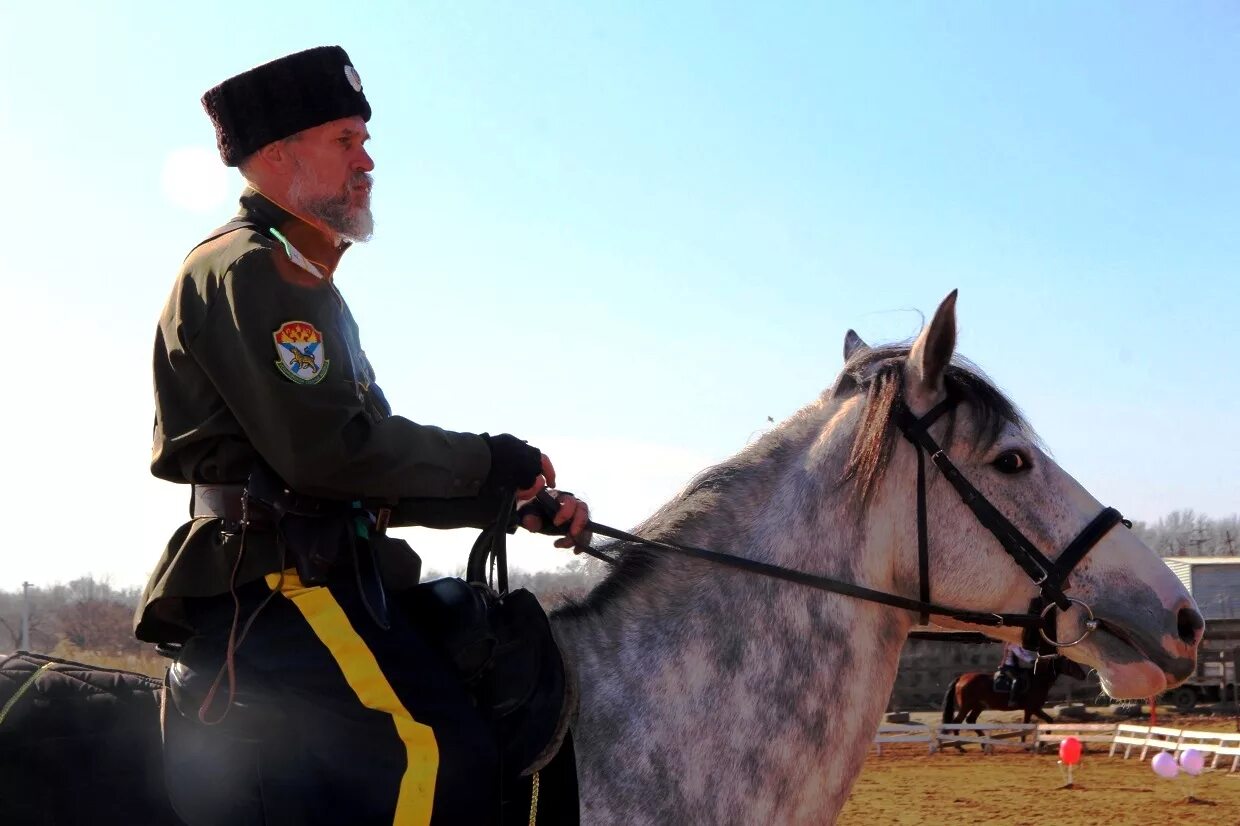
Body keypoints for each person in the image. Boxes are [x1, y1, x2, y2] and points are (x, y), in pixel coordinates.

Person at [136, 45, 590, 825]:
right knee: (440, 756)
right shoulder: (254, 270)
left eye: (364, 140)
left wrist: (505, 498)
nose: (367, 158)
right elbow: (330, 457)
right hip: (279, 585)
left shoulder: (296, 276)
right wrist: (488, 457)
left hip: (320, 567)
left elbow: (357, 474)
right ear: (279, 155)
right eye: (345, 140)